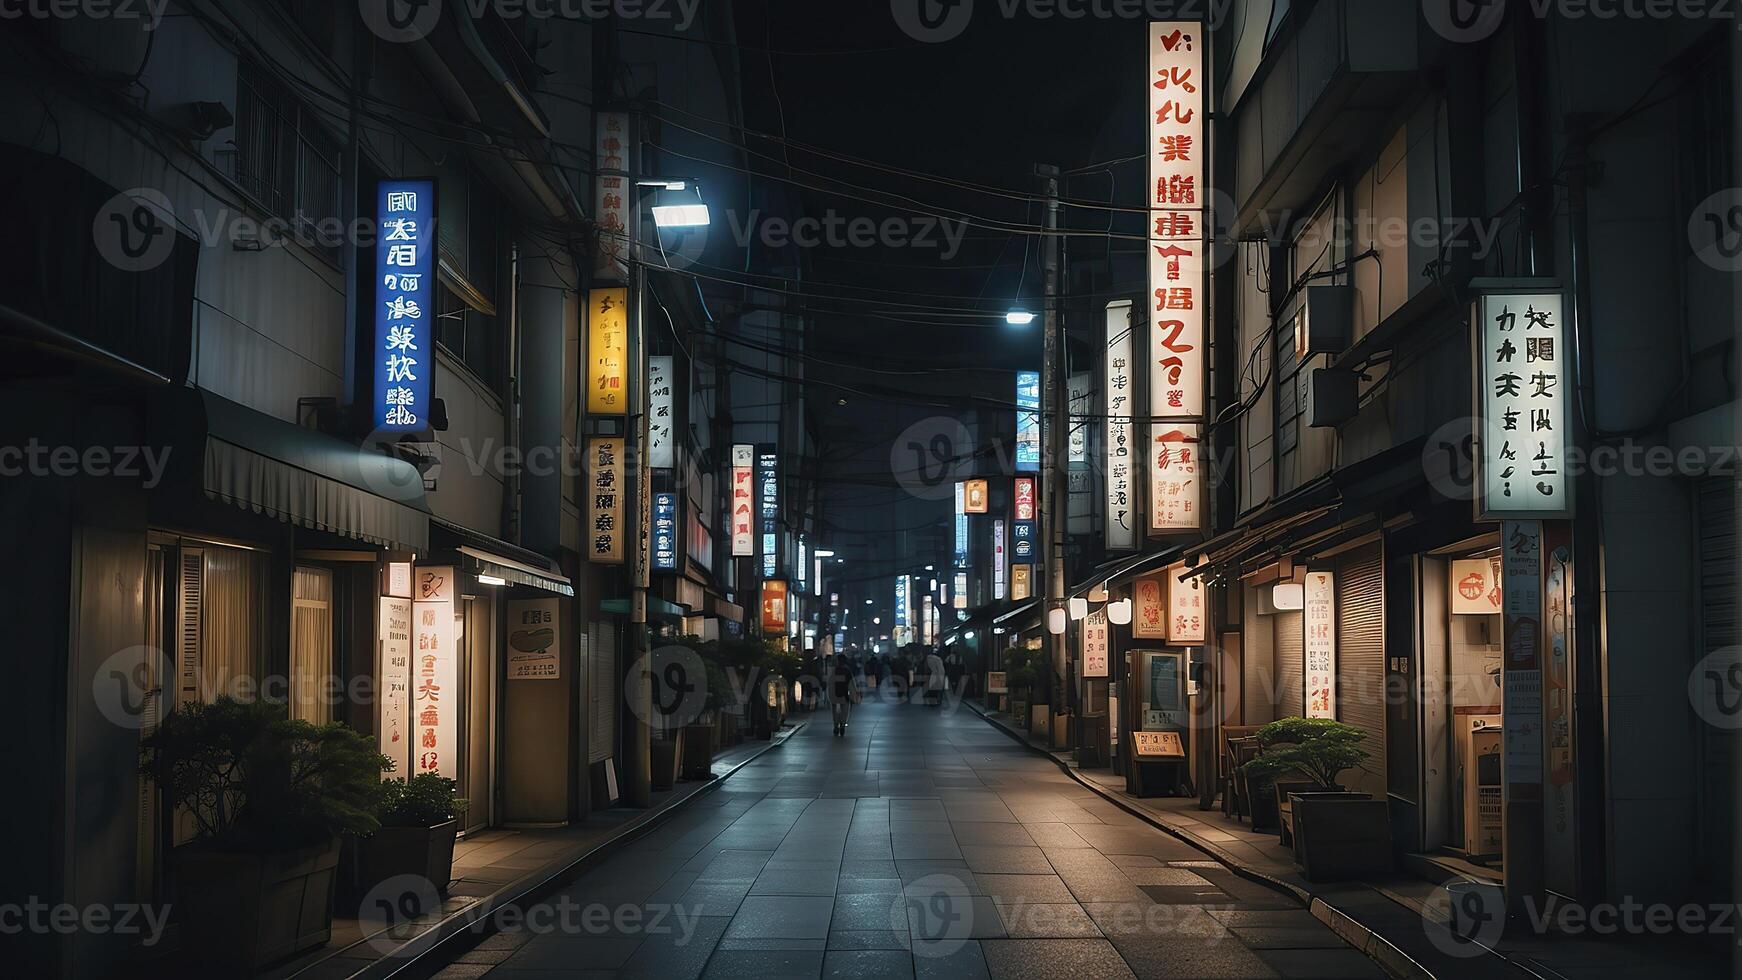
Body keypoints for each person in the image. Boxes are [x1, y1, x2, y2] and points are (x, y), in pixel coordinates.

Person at [828, 654, 854, 736]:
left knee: (834, 711)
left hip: (834, 693)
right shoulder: (847, 670)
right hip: (844, 693)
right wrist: (854, 692)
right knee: (845, 711)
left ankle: (836, 726)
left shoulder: (832, 670)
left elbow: (829, 682)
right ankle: (842, 725)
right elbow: (851, 683)